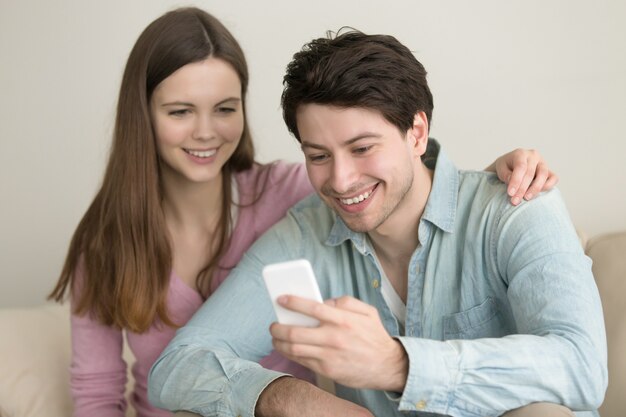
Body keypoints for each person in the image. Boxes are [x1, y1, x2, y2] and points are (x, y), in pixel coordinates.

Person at [46, 7, 558, 417]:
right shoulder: (106, 241)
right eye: (180, 112)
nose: (206, 131)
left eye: (225, 108)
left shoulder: (295, 192)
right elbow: (99, 391)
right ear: (144, 114)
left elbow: (391, 184)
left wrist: (489, 180)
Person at [148, 29, 607, 417]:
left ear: (417, 133)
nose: (342, 180)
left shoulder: (516, 207)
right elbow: (178, 364)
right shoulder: (306, 232)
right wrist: (286, 396)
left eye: (363, 147)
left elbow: (582, 368)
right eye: (318, 156)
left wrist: (399, 365)